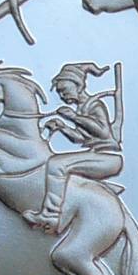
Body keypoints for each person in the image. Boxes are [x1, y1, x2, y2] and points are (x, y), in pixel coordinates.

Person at [34, 61, 122, 230]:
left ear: (78, 85)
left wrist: (73, 117)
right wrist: (62, 126)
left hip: (107, 157)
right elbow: (81, 138)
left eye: (64, 90)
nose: (62, 95)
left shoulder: (94, 105)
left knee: (56, 164)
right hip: (97, 155)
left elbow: (103, 132)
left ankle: (51, 215)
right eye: (60, 92)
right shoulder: (82, 108)